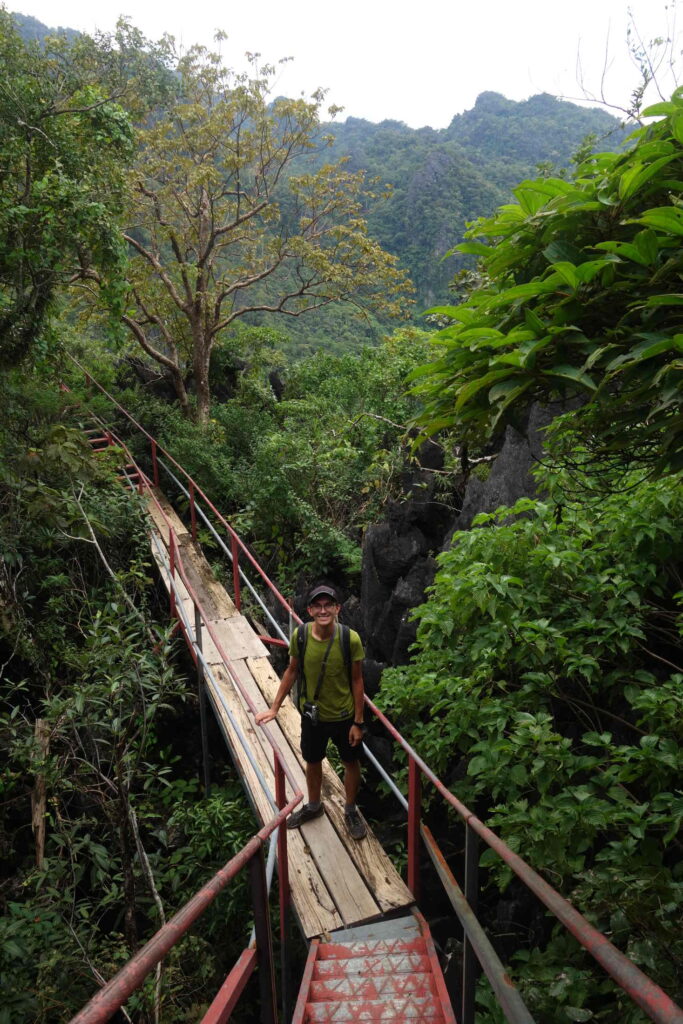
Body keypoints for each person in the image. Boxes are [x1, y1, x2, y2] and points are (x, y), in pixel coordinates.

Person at [254, 583, 367, 840]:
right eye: (318, 606)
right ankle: (314, 806)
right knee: (313, 760)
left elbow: (357, 680)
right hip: (313, 716)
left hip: (344, 716)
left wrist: (358, 722)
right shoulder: (301, 636)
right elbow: (292, 670)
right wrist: (274, 708)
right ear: (309, 610)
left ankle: (350, 810)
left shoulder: (349, 639)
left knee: (351, 762)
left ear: (337, 609)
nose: (323, 610)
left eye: (328, 605)